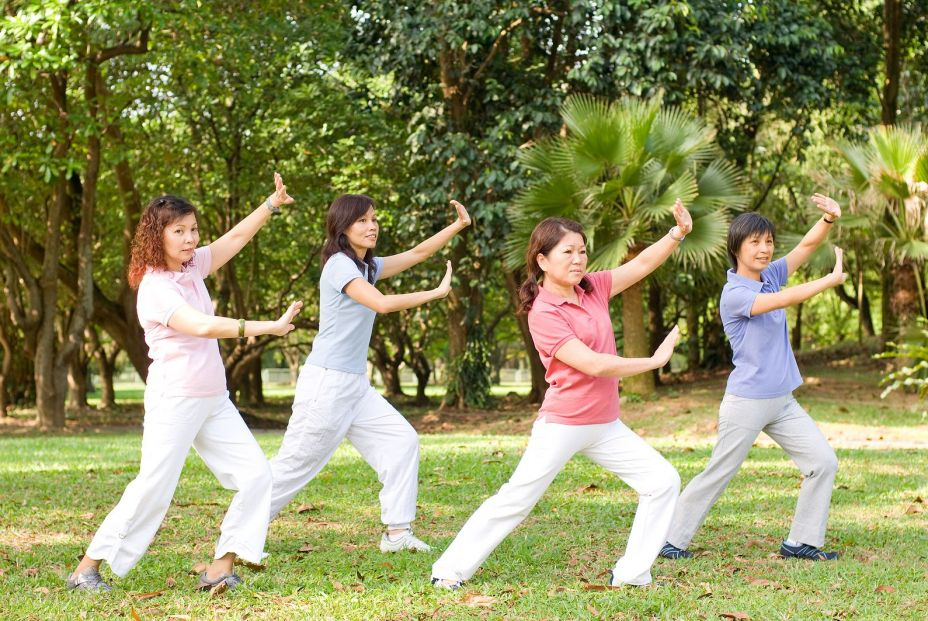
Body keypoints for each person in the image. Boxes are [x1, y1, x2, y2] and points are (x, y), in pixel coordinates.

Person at [431, 201, 692, 589]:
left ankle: (633, 573)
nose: (578, 259)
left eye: (582, 250)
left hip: (605, 424)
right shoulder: (544, 312)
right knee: (516, 499)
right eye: (567, 252)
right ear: (542, 260)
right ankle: (448, 571)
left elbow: (639, 266)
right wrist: (653, 361)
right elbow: (594, 364)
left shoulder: (594, 288)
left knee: (662, 480)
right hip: (565, 422)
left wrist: (677, 234)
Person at [67, 174, 302, 592]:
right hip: (175, 399)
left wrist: (269, 205)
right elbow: (202, 325)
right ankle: (87, 568)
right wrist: (269, 326)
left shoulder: (192, 267)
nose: (190, 238)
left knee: (256, 477)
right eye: (179, 231)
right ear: (157, 236)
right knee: (153, 488)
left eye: (193, 229)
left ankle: (220, 567)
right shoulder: (155, 287)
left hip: (213, 398)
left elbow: (233, 239)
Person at [268, 194, 470, 552]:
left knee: (401, 441)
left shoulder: (367, 267)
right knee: (294, 466)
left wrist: (456, 226)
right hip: (327, 384)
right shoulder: (338, 266)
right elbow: (382, 303)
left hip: (355, 385)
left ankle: (397, 533)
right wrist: (436, 292)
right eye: (361, 220)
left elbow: (417, 254)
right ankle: (238, 533)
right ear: (342, 228)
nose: (371, 225)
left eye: (374, 219)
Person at [660, 193, 845, 562]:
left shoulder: (772, 275)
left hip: (782, 400)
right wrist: (828, 281)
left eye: (768, 242)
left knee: (823, 462)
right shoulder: (735, 293)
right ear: (736, 248)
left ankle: (801, 541)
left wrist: (828, 220)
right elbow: (782, 301)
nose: (764, 249)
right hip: (746, 402)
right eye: (755, 242)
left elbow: (806, 246)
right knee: (719, 473)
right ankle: (669, 539)